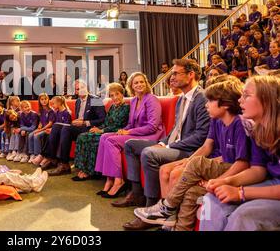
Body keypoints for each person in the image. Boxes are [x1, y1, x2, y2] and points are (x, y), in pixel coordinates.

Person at [134, 78, 250, 231]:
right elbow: (210, 147)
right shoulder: (216, 120)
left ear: (226, 104)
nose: (206, 104)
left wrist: (217, 181)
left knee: (195, 163)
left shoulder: (240, 124)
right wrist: (187, 161)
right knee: (191, 192)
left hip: (233, 170)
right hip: (224, 165)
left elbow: (241, 163)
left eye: (210, 101)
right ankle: (175, 226)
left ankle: (166, 207)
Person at [120, 59, 210, 230]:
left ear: (191, 75)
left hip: (189, 149)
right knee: (131, 145)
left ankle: (151, 207)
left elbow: (200, 137)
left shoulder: (202, 98)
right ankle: (136, 194)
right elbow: (177, 128)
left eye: (176, 73)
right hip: (174, 143)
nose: (171, 76)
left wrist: (169, 146)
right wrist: (163, 142)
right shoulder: (181, 99)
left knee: (149, 153)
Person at [200, 75, 280, 231]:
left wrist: (241, 192)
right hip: (273, 183)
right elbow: (258, 170)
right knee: (211, 200)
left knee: (244, 215)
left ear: (267, 99)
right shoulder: (257, 130)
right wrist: (227, 181)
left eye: (247, 95)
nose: (239, 101)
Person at [96, 73, 165, 199]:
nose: (139, 85)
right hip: (136, 134)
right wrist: (123, 130)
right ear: (131, 86)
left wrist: (129, 132)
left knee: (111, 141)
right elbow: (130, 124)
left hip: (151, 136)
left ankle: (118, 181)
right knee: (104, 136)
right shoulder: (133, 101)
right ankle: (109, 179)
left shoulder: (151, 99)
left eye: (141, 82)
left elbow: (152, 126)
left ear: (146, 83)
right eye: (136, 83)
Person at [44, 81, 106, 176]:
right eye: (77, 89)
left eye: (82, 87)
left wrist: (85, 122)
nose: (80, 90)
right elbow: (79, 117)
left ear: (86, 87)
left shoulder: (95, 99)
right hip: (78, 127)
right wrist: (76, 121)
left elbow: (103, 119)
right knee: (56, 126)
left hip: (90, 127)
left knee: (66, 129)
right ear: (76, 91)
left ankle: (64, 164)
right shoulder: (77, 101)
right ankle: (53, 159)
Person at [73, 83, 130, 182]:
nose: (115, 97)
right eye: (112, 95)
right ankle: (82, 168)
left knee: (87, 138)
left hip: (116, 133)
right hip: (106, 130)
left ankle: (90, 171)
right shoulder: (113, 107)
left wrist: (101, 130)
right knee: (82, 136)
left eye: (117, 94)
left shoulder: (125, 107)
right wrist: (97, 128)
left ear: (122, 94)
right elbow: (106, 122)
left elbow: (117, 126)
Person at [39, 96, 72, 169]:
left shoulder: (67, 113)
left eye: (53, 104)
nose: (52, 106)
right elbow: (55, 124)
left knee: (50, 135)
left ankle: (47, 157)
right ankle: (48, 157)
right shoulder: (56, 112)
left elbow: (66, 126)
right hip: (55, 132)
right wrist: (51, 129)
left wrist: (52, 129)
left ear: (59, 103)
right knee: (45, 135)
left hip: (64, 132)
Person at [29, 93, 56, 165]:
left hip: (48, 129)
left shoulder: (51, 111)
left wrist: (40, 130)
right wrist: (39, 126)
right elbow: (41, 121)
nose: (44, 101)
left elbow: (50, 124)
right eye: (42, 99)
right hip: (42, 128)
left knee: (36, 135)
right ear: (39, 101)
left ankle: (38, 154)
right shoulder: (41, 110)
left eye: (45, 99)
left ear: (48, 100)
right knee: (30, 135)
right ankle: (32, 154)